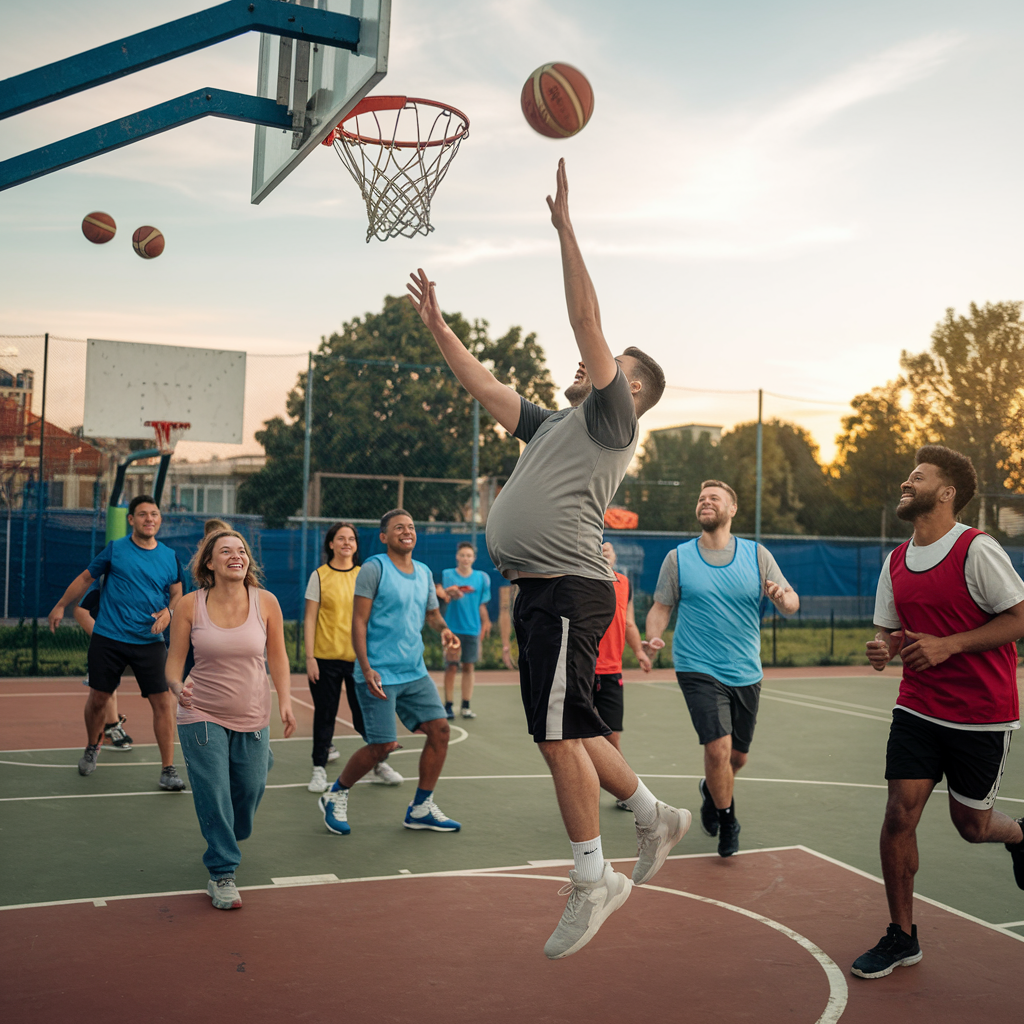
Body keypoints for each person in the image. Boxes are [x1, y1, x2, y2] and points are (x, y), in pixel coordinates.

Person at [408, 159, 689, 961]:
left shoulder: (610, 421)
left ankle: (592, 877)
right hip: (543, 592)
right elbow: (487, 387)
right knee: (572, 726)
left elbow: (586, 323)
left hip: (568, 588)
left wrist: (567, 230)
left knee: (556, 736)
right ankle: (654, 814)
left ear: (629, 391)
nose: (591, 366)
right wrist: (437, 327)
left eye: (613, 369)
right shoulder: (555, 425)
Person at [851, 445, 1024, 979]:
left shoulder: (976, 550)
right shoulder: (896, 561)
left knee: (971, 825)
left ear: (946, 493)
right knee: (899, 814)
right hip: (918, 708)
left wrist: (951, 644)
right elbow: (890, 632)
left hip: (981, 713)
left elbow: (1019, 617)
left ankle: (1020, 834)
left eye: (918, 477)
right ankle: (902, 935)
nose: (908, 481)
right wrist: (885, 648)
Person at [643, 480, 799, 857]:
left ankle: (710, 793)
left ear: (732, 509)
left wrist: (782, 598)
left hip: (745, 670)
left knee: (736, 758)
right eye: (701, 498)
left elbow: (791, 601)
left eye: (714, 498)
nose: (705, 502)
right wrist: (653, 637)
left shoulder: (756, 555)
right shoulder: (678, 558)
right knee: (718, 747)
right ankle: (728, 820)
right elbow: (661, 607)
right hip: (697, 666)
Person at [166, 529, 296, 911]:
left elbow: (279, 659)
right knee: (214, 792)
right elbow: (174, 663)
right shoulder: (190, 605)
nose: (236, 556)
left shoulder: (266, 602)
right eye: (226, 551)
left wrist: (286, 702)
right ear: (210, 562)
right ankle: (222, 872)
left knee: (251, 787)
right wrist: (176, 687)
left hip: (253, 713)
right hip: (200, 712)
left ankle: (227, 833)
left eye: (241, 551)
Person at [318, 509, 462, 836]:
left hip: (414, 670)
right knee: (382, 746)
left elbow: (431, 614)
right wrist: (365, 667)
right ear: (384, 536)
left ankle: (421, 807)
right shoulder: (374, 568)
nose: (406, 531)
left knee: (440, 731)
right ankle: (335, 794)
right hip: (379, 672)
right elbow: (359, 621)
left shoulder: (424, 572)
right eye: (399, 527)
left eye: (411, 526)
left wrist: (445, 630)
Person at [47, 495, 186, 790]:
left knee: (164, 702)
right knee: (98, 699)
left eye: (155, 514)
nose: (150, 518)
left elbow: (178, 593)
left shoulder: (170, 556)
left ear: (160, 520)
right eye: (143, 514)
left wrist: (170, 612)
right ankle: (91, 746)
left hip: (149, 641)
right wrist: (61, 605)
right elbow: (86, 579)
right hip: (109, 638)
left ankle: (168, 770)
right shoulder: (115, 550)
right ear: (131, 519)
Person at [303, 522, 402, 793]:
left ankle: (380, 763)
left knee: (365, 716)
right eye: (341, 538)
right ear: (331, 544)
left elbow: (376, 618)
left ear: (356, 546)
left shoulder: (365, 575)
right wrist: (309, 657)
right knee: (325, 714)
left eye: (351, 539)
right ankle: (319, 769)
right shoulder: (320, 576)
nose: (347, 543)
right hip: (325, 659)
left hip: (361, 661)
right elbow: (310, 619)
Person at [594, 542, 651, 799]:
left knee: (611, 737)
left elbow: (628, 622)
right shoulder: (584, 579)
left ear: (615, 556)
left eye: (609, 548)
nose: (604, 549)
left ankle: (625, 792)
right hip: (582, 670)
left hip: (611, 671)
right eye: (599, 547)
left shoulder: (624, 583)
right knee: (578, 737)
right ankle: (591, 788)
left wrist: (639, 651)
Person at [74, 582, 133, 750]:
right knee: (105, 688)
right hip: (105, 644)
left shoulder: (132, 585)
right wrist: (103, 636)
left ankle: (110, 727)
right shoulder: (100, 585)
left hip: (122, 641)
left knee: (110, 687)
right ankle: (110, 728)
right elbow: (80, 611)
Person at [440, 541, 492, 720]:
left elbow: (482, 605)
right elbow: (447, 596)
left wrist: (486, 623)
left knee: (469, 666)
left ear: (474, 558)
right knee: (451, 667)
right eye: (462, 555)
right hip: (452, 629)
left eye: (469, 556)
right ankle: (448, 705)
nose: (465, 558)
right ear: (457, 556)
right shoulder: (448, 575)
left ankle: (466, 706)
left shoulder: (482, 578)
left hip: (472, 629)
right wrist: (452, 593)